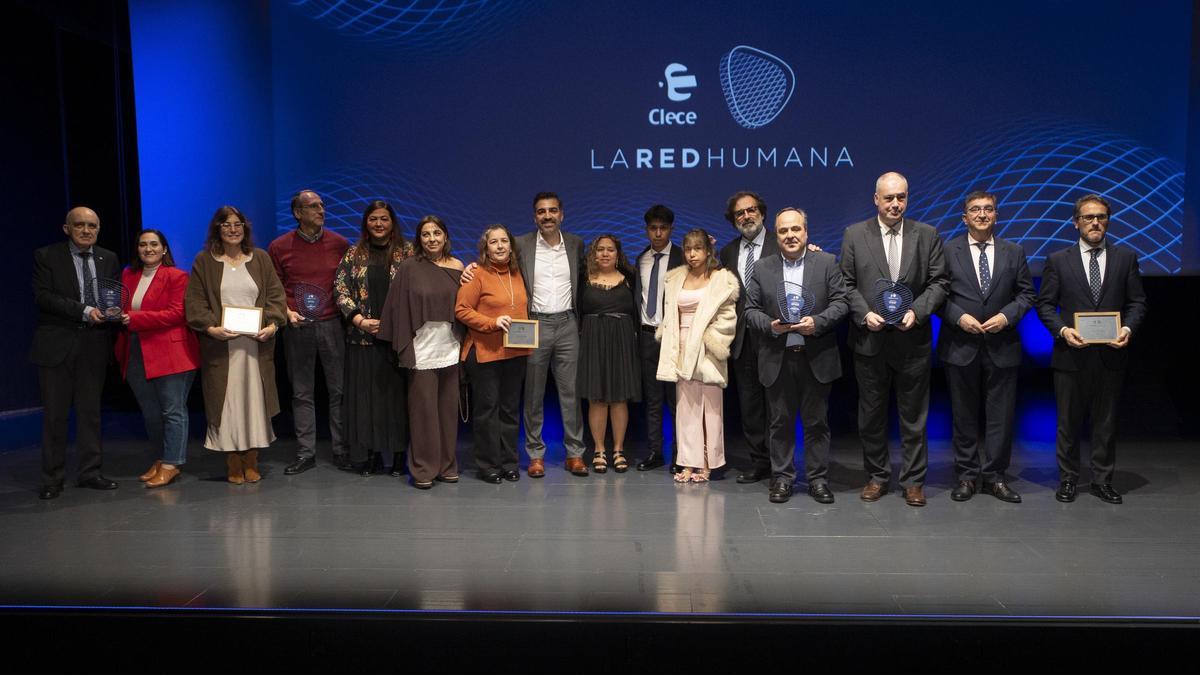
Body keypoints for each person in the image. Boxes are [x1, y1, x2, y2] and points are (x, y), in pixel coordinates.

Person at [840, 171, 949, 507]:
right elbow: (844, 284)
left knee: (914, 416)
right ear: (876, 199)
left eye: (901, 197)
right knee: (871, 415)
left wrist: (917, 310)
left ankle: (914, 482)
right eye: (888, 198)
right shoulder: (854, 235)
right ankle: (877, 477)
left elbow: (939, 283)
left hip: (911, 340)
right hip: (869, 340)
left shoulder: (927, 234)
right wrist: (863, 313)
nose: (895, 204)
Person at [1036, 194, 1147, 504]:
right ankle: (1069, 479)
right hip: (1071, 355)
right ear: (1076, 223)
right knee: (1067, 423)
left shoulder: (1126, 257)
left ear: (1108, 221)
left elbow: (1137, 302)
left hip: (1112, 355)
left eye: (1101, 217)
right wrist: (1061, 330)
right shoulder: (1058, 260)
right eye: (1088, 217)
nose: (1095, 222)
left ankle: (1102, 480)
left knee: (1106, 423)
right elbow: (1044, 304)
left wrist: (1126, 328)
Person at [744, 208, 849, 503]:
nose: (790, 235)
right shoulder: (763, 268)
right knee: (779, 424)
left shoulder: (826, 262)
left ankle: (817, 479)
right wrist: (771, 326)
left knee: (817, 423)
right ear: (776, 235)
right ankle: (782, 478)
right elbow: (750, 311)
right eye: (783, 231)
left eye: (795, 229)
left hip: (816, 356)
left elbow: (841, 302)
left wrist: (818, 323)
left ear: (806, 232)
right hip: (777, 357)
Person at [939, 191, 1036, 503]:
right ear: (964, 217)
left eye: (988, 209)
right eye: (975, 210)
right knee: (963, 416)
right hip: (960, 343)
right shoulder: (947, 250)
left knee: (1001, 417)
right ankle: (967, 476)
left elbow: (1025, 294)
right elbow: (937, 293)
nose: (982, 214)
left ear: (997, 215)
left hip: (1001, 345)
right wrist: (958, 317)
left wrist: (1006, 318)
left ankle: (995, 477)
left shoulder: (1014, 251)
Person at [185, 206, 287, 484]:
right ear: (217, 229)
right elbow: (194, 302)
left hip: (256, 347)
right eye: (226, 224)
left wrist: (272, 325)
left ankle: (251, 458)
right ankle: (232, 460)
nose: (233, 229)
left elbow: (277, 298)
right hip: (222, 347)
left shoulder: (261, 258)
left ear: (245, 228)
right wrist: (210, 328)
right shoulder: (204, 261)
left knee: (253, 401)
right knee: (227, 402)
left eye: (238, 224)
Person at [31, 206, 120, 499]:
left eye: (92, 226)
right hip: (57, 346)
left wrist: (113, 311)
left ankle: (90, 472)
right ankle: (52, 479)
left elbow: (112, 295)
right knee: (55, 416)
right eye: (80, 225)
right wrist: (84, 311)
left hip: (94, 346)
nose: (86, 230)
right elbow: (43, 297)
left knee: (90, 414)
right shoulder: (47, 256)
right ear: (66, 228)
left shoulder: (108, 258)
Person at [269, 189, 351, 475]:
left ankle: (342, 450)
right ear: (297, 213)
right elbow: (274, 288)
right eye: (313, 206)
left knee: (338, 390)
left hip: (332, 325)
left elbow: (347, 283)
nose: (321, 210)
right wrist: (286, 313)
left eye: (322, 205)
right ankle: (306, 453)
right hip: (298, 326)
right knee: (302, 392)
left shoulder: (340, 243)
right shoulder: (279, 247)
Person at [379, 215, 464, 489]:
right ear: (419, 239)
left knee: (448, 411)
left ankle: (447, 465)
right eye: (426, 234)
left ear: (445, 236)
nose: (432, 239)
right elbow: (397, 307)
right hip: (422, 348)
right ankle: (424, 468)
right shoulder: (409, 268)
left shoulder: (458, 266)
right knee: (423, 411)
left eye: (437, 233)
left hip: (450, 346)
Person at [114, 229, 201, 489]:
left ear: (164, 249)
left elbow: (176, 314)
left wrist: (135, 319)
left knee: (172, 411)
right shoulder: (128, 274)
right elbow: (121, 308)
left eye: (154, 244)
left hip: (171, 353)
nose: (148, 249)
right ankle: (160, 458)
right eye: (143, 244)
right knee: (151, 413)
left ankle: (172, 464)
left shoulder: (177, 276)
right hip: (135, 350)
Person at [334, 200, 414, 477]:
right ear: (365, 223)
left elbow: (419, 290)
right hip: (363, 339)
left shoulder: (409, 253)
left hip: (398, 340)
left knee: (397, 401)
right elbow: (340, 290)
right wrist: (359, 320)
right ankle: (372, 455)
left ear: (393, 223)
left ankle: (400, 455)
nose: (379, 224)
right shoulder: (353, 254)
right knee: (367, 401)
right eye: (373, 219)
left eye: (384, 219)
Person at [655, 229, 739, 483]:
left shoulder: (720, 278)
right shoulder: (676, 278)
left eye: (698, 248)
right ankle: (689, 463)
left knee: (711, 409)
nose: (692, 254)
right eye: (688, 249)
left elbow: (728, 316)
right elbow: (669, 314)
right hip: (680, 347)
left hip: (705, 348)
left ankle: (709, 463)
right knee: (686, 408)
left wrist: (710, 341)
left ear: (708, 250)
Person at [455, 225, 531, 483]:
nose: (499, 246)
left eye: (504, 241)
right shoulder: (476, 274)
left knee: (509, 410)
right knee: (487, 411)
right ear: (485, 248)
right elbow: (462, 310)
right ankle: (488, 465)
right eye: (493, 242)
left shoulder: (520, 273)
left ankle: (510, 463)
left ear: (511, 245)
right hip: (485, 353)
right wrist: (492, 322)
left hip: (515, 352)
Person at [717, 191, 778, 485]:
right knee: (750, 406)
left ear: (762, 213)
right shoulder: (727, 253)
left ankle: (782, 463)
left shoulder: (781, 242)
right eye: (739, 213)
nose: (746, 216)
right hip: (742, 340)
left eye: (751, 210)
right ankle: (759, 462)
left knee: (778, 405)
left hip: (776, 337)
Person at [577, 234, 641, 473]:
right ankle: (599, 449)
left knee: (619, 397)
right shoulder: (583, 279)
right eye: (600, 249)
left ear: (618, 254)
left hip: (622, 341)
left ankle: (618, 449)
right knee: (597, 397)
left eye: (610, 250)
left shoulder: (631, 278)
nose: (605, 253)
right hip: (593, 340)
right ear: (593, 254)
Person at [634, 205, 684, 473]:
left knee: (676, 401)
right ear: (647, 230)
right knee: (652, 400)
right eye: (653, 228)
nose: (658, 233)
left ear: (671, 229)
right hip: (646, 337)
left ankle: (679, 455)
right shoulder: (640, 259)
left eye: (663, 228)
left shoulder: (682, 257)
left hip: (674, 338)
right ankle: (655, 451)